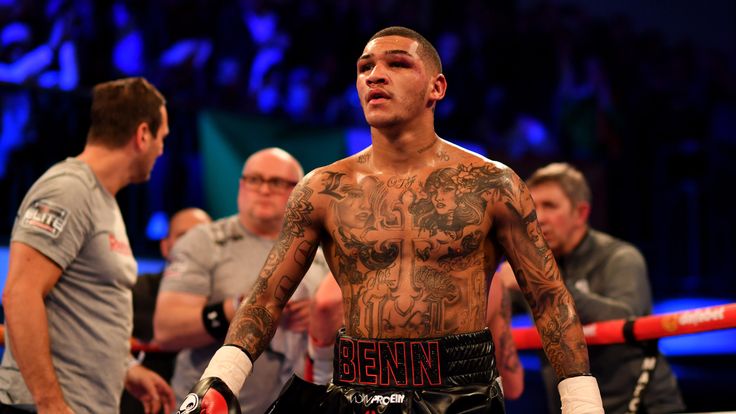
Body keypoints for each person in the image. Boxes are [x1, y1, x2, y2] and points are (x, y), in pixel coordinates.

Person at [181, 26, 603, 414]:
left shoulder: (492, 184)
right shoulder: (323, 189)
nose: (375, 75)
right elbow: (266, 297)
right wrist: (219, 382)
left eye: (398, 64)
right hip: (356, 388)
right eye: (365, 67)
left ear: (436, 87)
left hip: (461, 392)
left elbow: (548, 297)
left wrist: (581, 402)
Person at [0, 77, 176, 414]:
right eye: (161, 138)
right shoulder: (69, 190)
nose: (162, 150)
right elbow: (20, 294)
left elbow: (86, 307)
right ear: (142, 135)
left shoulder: (102, 200)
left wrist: (126, 369)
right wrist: (50, 403)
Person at [154, 148, 329, 413]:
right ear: (241, 185)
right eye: (254, 180)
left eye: (277, 182)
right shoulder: (205, 242)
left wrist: (319, 321)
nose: (264, 190)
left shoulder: (323, 254)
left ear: (300, 191)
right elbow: (167, 330)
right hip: (211, 406)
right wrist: (246, 307)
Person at [500, 162, 685, 414]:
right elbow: (489, 317)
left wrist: (542, 284)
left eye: (550, 206)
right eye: (533, 207)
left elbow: (624, 315)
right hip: (573, 405)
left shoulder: (620, 257)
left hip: (640, 403)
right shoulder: (535, 265)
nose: (539, 217)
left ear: (581, 213)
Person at [306, 270, 524, 398]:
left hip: (370, 403)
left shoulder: (359, 272)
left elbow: (326, 304)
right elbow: (513, 386)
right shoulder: (488, 281)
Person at [121, 208, 212, 413]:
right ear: (165, 246)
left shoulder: (226, 302)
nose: (192, 244)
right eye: (183, 236)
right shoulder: (130, 293)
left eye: (202, 235)